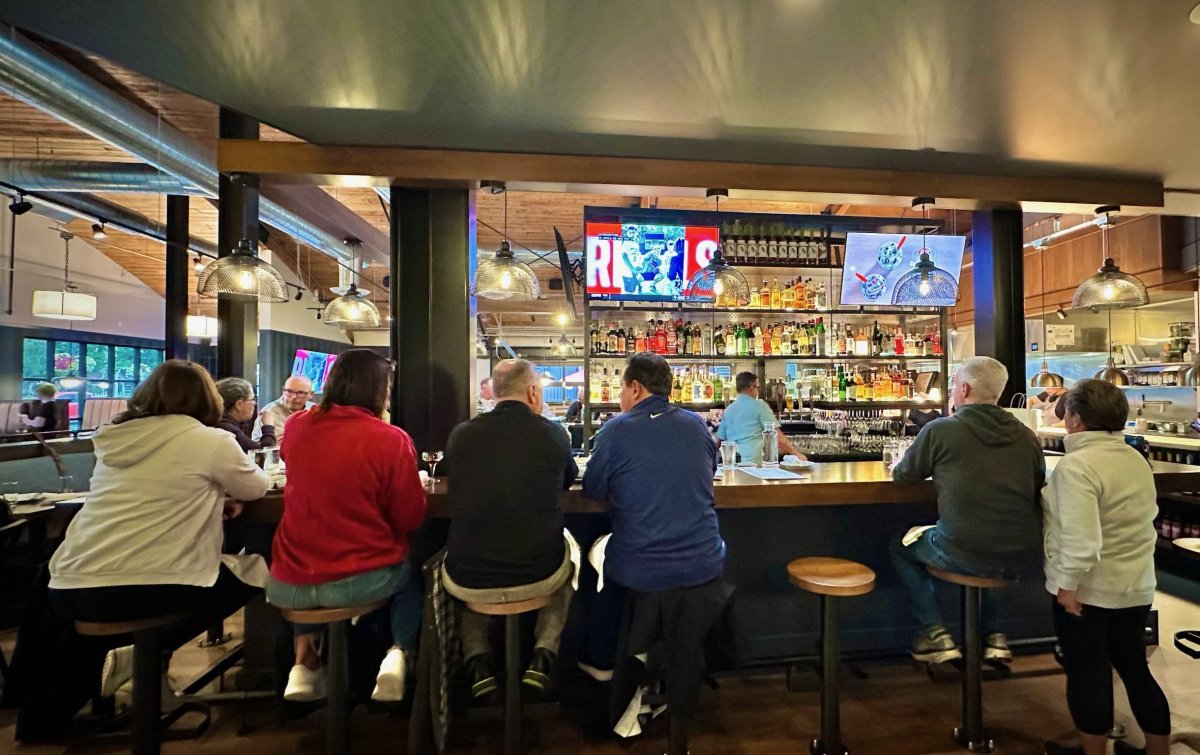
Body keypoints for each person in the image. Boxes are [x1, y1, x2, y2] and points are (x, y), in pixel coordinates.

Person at [48, 360, 270, 701]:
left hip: (68, 587)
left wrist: (209, 498)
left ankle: (142, 668)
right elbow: (257, 488)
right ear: (207, 399)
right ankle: (149, 654)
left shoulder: (113, 440)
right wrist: (219, 494)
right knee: (261, 572)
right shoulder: (211, 440)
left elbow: (152, 493)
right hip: (151, 586)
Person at [268, 349, 426, 703]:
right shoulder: (390, 439)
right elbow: (410, 517)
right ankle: (398, 653)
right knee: (412, 576)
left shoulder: (295, 426)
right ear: (379, 390)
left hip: (287, 586)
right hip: (359, 582)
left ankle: (304, 661)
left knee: (308, 557)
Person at [890, 356, 1045, 663]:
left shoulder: (941, 430)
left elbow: (903, 476)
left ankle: (935, 633)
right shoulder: (1027, 435)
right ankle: (995, 635)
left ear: (963, 389)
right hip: (1024, 553)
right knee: (988, 538)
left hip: (962, 551)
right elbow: (1037, 485)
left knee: (900, 546)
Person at [1043, 380, 1170, 755]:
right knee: (1135, 669)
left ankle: (1094, 752)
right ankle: (1158, 751)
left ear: (1076, 419)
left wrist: (1066, 587)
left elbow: (1082, 540)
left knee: (1087, 674)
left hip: (1089, 591)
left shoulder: (1077, 466)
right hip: (1136, 584)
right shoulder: (1134, 458)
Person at [443, 359, 578, 696]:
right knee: (571, 566)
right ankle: (544, 654)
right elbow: (568, 479)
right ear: (533, 392)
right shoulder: (553, 434)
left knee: (467, 571)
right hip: (538, 572)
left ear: (495, 393)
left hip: (469, 576)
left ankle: (477, 662)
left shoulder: (461, 434)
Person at [583, 352, 725, 593]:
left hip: (641, 569)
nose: (619, 398)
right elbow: (710, 471)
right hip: (705, 563)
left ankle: (604, 628)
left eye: (621, 389)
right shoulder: (697, 425)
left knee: (587, 555)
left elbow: (592, 489)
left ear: (635, 388)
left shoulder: (615, 429)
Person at [715, 372, 801, 464]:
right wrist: (796, 454)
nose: (758, 390)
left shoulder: (728, 410)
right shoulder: (760, 406)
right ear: (751, 387)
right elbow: (777, 437)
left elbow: (719, 440)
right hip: (754, 462)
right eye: (757, 387)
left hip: (733, 461)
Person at [252, 375, 314, 447]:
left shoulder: (314, 409)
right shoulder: (271, 411)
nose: (293, 397)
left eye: (300, 393)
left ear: (311, 394)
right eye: (289, 391)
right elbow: (284, 445)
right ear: (283, 390)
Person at [214, 377, 262, 452]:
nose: (255, 403)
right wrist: (268, 426)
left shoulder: (228, 423)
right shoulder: (227, 428)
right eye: (253, 399)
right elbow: (262, 455)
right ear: (239, 405)